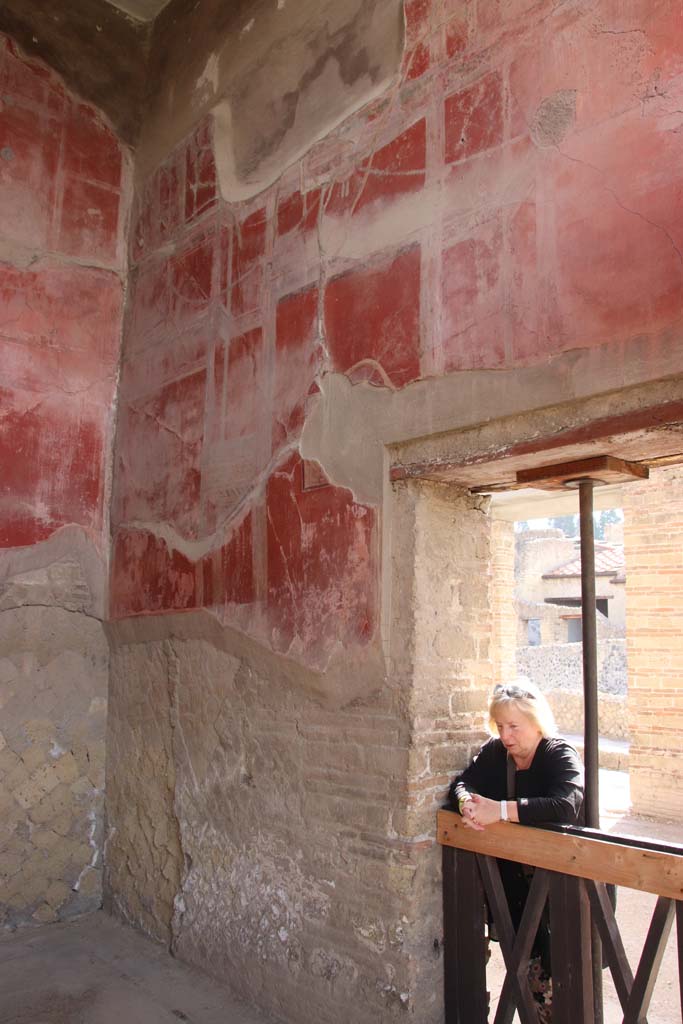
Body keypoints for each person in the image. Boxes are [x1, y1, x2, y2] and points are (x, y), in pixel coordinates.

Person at [448, 680, 584, 1023]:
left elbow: (565, 804)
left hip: (558, 893)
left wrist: (502, 811)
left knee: (562, 984)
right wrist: (466, 803)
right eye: (500, 726)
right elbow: (462, 783)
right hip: (513, 890)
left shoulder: (558, 753)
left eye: (514, 727)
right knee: (523, 975)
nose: (506, 736)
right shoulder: (497, 753)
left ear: (536, 723)